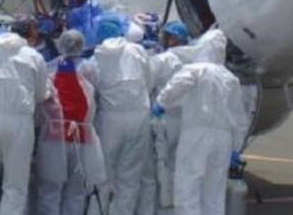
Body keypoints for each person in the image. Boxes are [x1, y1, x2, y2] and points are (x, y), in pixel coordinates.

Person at [153, 30, 248, 215]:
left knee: (188, 186)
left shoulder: (195, 70)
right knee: (214, 192)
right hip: (223, 138)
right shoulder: (230, 78)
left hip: (197, 133)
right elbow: (239, 118)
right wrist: (236, 149)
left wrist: (161, 103)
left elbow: (176, 87)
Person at [0, 17, 50, 215]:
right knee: (15, 185)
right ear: (30, 35)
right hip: (19, 122)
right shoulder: (34, 56)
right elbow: (41, 94)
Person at [79, 14, 154, 215]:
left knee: (102, 172)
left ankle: (98, 211)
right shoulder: (137, 51)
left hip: (110, 118)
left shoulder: (95, 59)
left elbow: (91, 92)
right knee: (130, 175)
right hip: (139, 116)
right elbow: (149, 81)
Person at [35, 29, 105, 215]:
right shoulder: (89, 68)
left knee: (50, 188)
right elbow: (96, 95)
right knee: (76, 189)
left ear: (60, 44)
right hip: (81, 136)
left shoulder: (50, 67)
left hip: (53, 135)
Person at [146, 22, 191, 214]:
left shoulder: (163, 59)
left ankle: (165, 205)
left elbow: (147, 83)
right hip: (188, 120)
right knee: (183, 163)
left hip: (165, 117)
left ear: (172, 39)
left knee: (162, 162)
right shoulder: (195, 58)